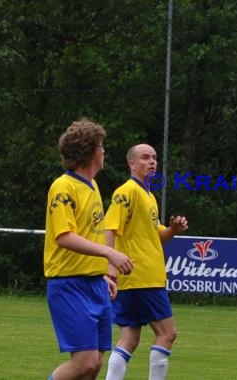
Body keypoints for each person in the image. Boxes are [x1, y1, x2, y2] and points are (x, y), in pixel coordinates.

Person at [44, 118, 134, 380]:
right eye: (101, 146)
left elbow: (90, 233)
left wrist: (102, 273)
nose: (104, 151)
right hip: (69, 284)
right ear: (90, 151)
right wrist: (109, 253)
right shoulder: (63, 187)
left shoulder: (92, 186)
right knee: (83, 363)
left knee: (94, 365)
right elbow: (64, 236)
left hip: (95, 283)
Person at [103, 144, 188, 380]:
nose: (152, 161)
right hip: (142, 277)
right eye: (145, 158)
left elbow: (156, 235)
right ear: (131, 163)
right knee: (167, 334)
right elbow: (110, 228)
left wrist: (172, 229)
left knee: (129, 338)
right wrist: (110, 268)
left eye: (154, 158)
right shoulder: (126, 192)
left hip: (135, 279)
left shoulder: (148, 194)